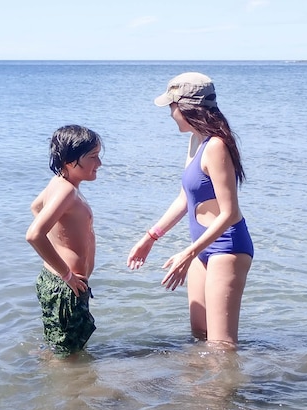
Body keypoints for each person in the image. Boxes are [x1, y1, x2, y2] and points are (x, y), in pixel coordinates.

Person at [127, 72, 253, 347]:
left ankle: (227, 391)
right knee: (200, 336)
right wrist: (150, 237)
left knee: (221, 345)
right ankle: (201, 389)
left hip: (226, 249)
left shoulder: (217, 146)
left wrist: (188, 252)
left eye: (172, 106)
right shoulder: (197, 141)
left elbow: (230, 212)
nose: (170, 113)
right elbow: (185, 198)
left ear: (187, 107)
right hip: (201, 248)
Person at [26, 125, 103, 358]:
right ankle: (70, 393)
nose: (99, 163)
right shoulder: (67, 191)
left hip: (58, 281)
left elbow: (36, 207)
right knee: (69, 357)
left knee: (61, 348)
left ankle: (55, 382)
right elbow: (34, 234)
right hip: (66, 285)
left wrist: (59, 240)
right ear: (70, 161)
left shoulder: (58, 183)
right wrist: (67, 274)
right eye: (93, 157)